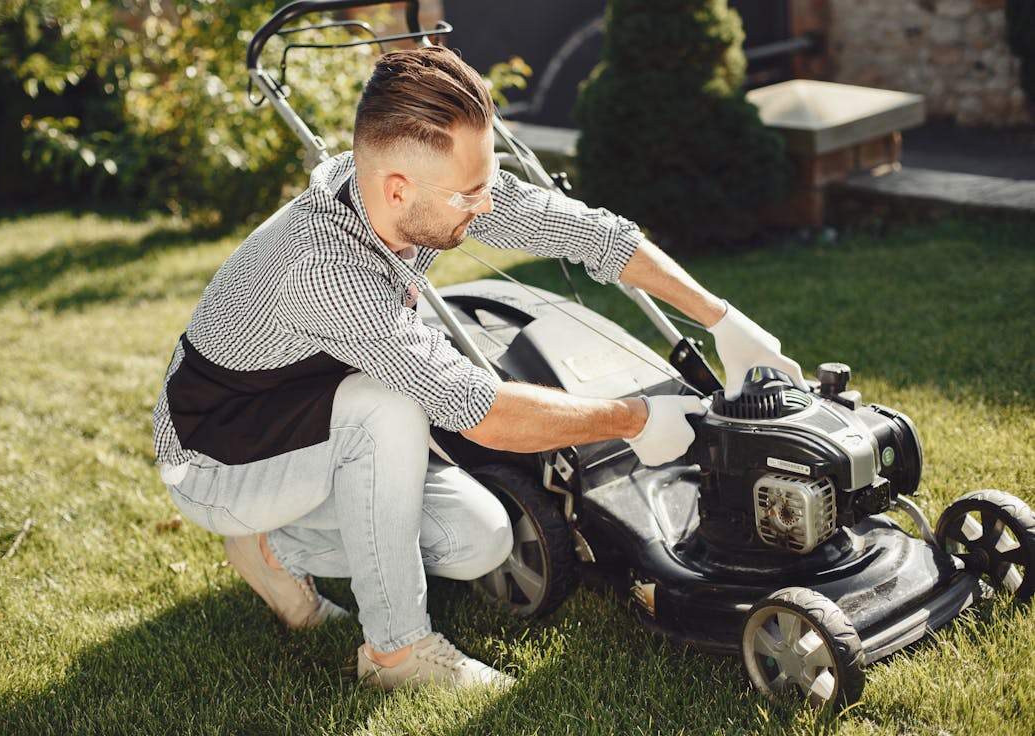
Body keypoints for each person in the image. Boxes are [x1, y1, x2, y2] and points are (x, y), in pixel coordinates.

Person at [151, 45, 805, 692]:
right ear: (398, 188)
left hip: (310, 417)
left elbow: (586, 232)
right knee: (389, 409)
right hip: (218, 454)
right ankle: (397, 655)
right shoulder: (324, 268)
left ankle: (273, 549)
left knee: (481, 540)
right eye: (470, 194)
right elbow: (482, 413)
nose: (486, 204)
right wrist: (635, 419)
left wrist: (722, 320)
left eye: (485, 181)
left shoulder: (409, 193)